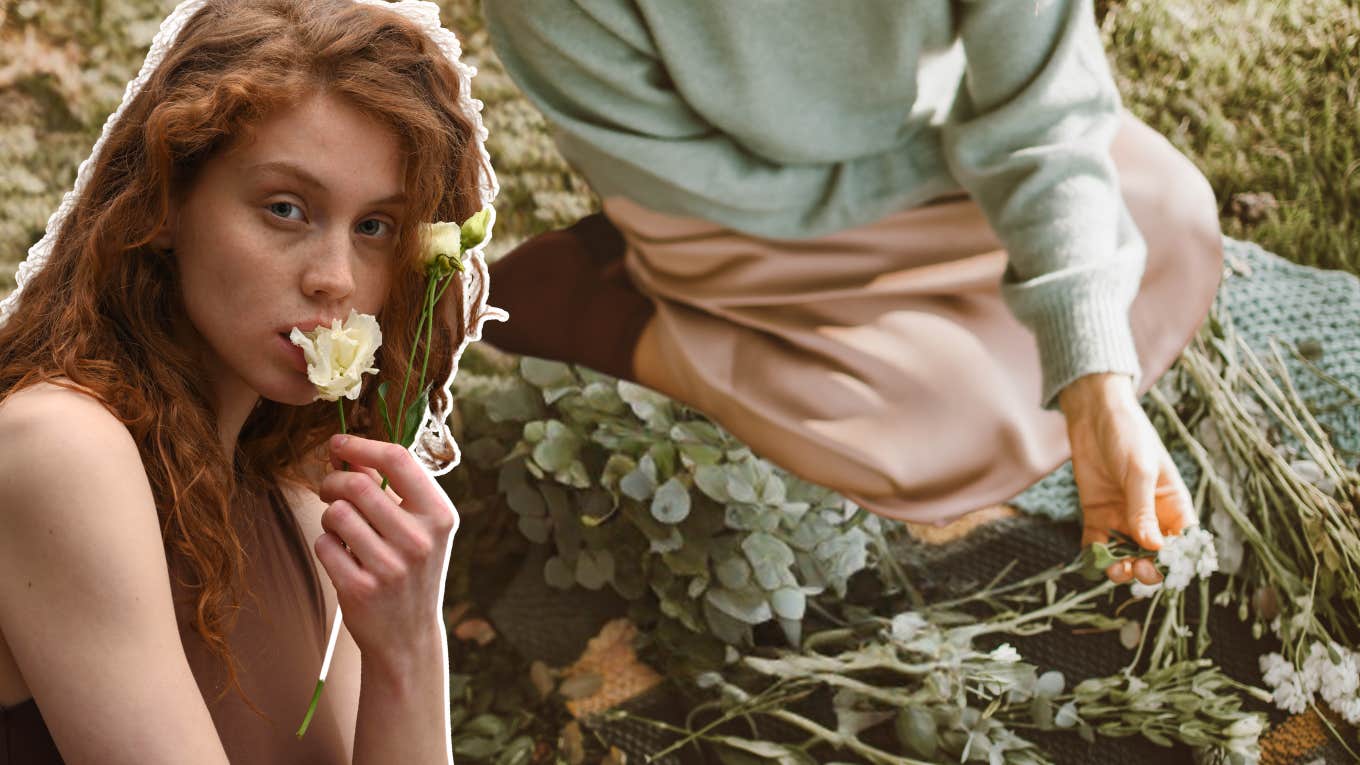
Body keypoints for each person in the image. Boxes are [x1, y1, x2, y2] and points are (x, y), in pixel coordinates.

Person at [479, 0, 1225, 586]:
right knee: (934, 428)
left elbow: (1044, 117)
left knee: (1178, 225)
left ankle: (872, 328)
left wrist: (1097, 388)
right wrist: (959, 172)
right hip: (732, 219)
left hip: (942, 154)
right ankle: (605, 310)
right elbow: (694, 184)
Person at [0, 0, 502, 761]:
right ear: (165, 200)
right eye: (286, 208)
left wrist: (409, 647)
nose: (335, 279)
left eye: (375, 227)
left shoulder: (302, 502)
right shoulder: (62, 448)